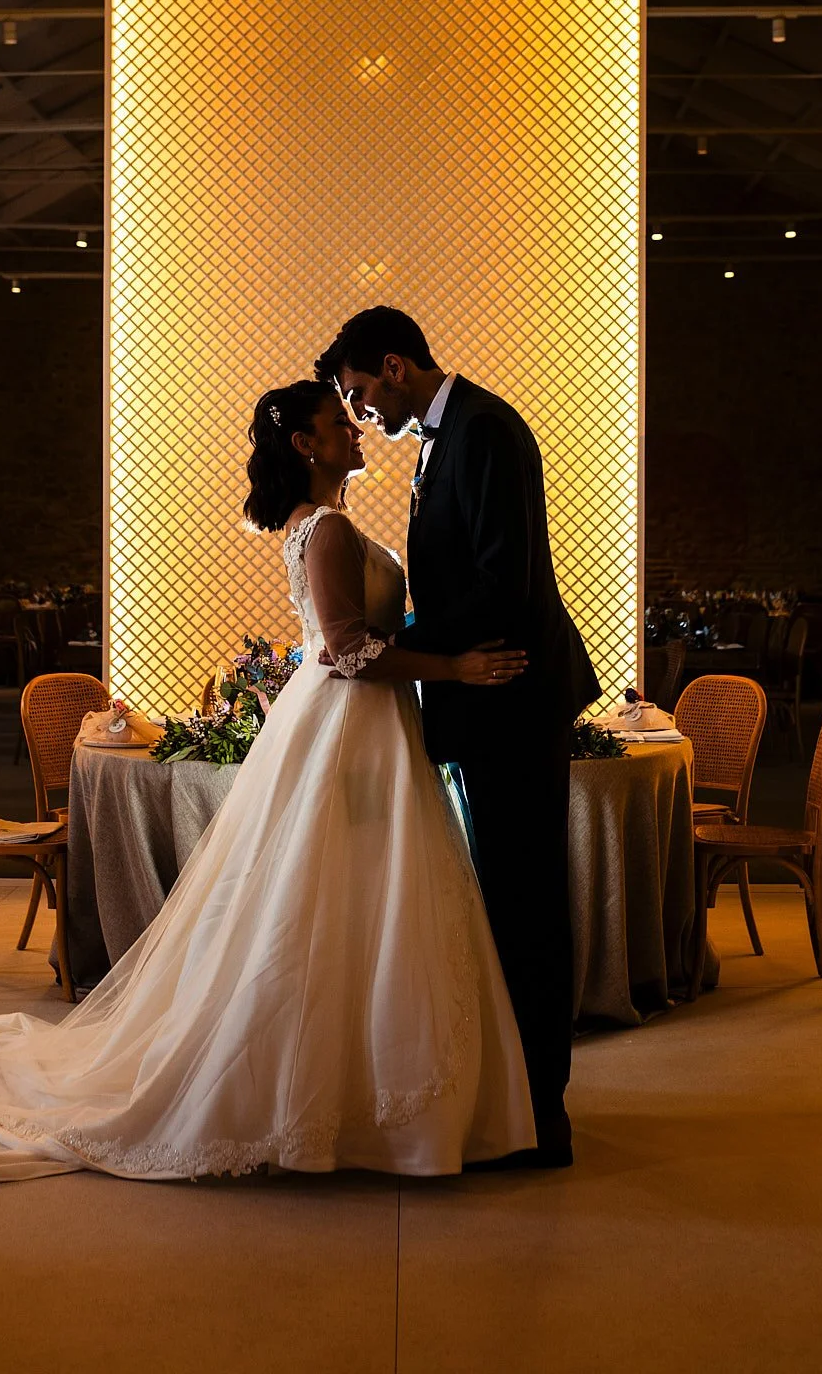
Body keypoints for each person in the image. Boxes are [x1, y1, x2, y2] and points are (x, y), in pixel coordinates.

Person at [0, 379, 534, 1184]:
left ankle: (363, 1091)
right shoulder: (323, 530)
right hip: (345, 720)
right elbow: (346, 652)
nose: (356, 430)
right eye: (338, 422)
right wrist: (455, 668)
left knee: (358, 894)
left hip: (363, 728)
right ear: (307, 445)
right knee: (325, 896)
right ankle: (327, 1097)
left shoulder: (326, 524)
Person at [316, 309, 599, 1169]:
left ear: (394, 367)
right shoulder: (450, 435)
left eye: (361, 394)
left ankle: (543, 1115)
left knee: (527, 901)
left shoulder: (483, 429)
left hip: (508, 689)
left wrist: (415, 654)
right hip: (485, 694)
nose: (362, 413)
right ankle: (518, 1095)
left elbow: (501, 579)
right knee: (508, 897)